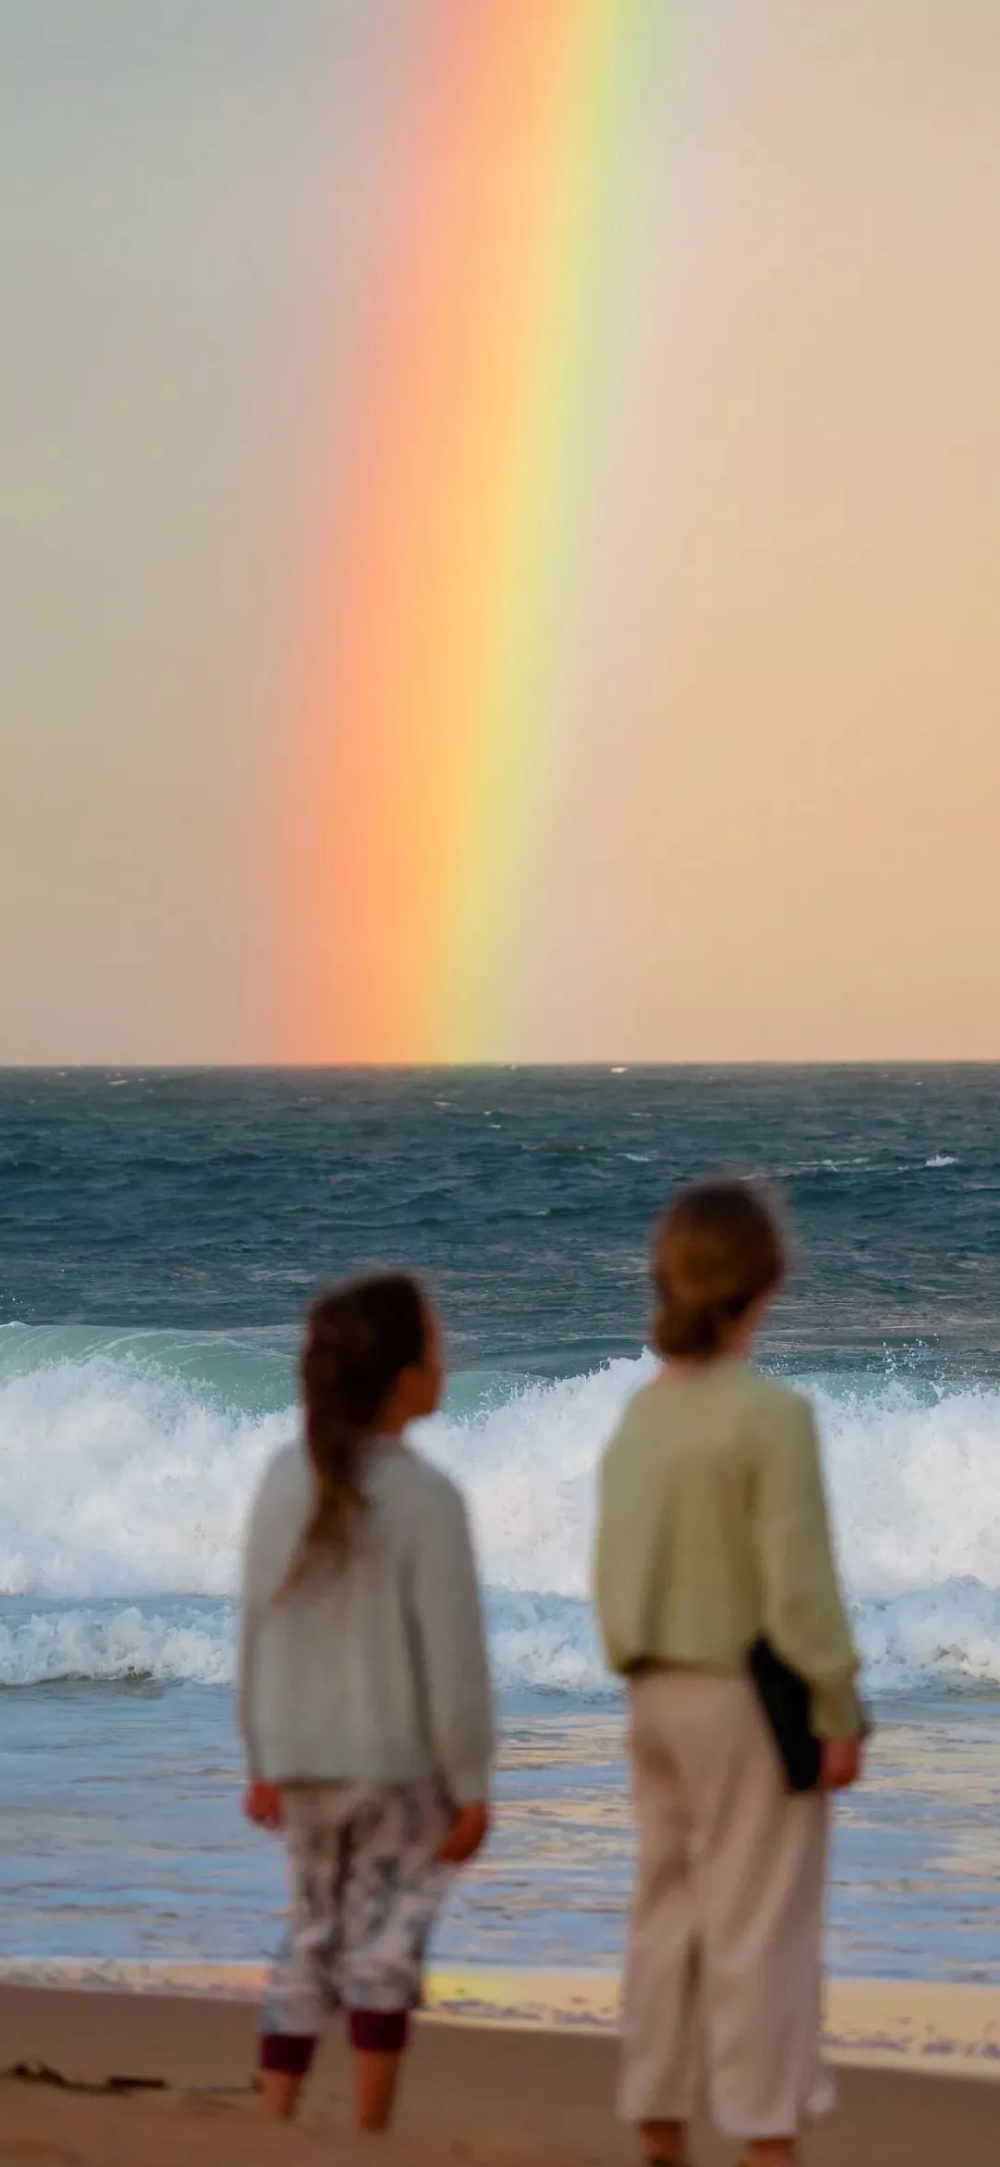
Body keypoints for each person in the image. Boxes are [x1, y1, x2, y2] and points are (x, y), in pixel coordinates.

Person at [594, 1180, 863, 2167]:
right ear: (769, 1282)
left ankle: (658, 2115)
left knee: (666, 1905)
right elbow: (797, 1583)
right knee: (761, 1921)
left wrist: (633, 1656)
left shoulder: (640, 1414)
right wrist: (836, 1702)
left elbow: (611, 1563)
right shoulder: (772, 1415)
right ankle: (764, 2132)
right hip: (749, 1693)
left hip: (652, 1686)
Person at [239, 1271, 493, 2134]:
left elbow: (253, 1632)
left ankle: (275, 2118)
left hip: (301, 1757)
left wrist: (261, 1759)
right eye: (436, 1344)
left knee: (310, 1935)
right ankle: (369, 2132)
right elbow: (453, 1660)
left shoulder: (283, 1477)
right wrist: (470, 1781)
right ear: (403, 1376)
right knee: (386, 1949)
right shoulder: (428, 1497)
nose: (444, 1358)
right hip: (397, 1768)